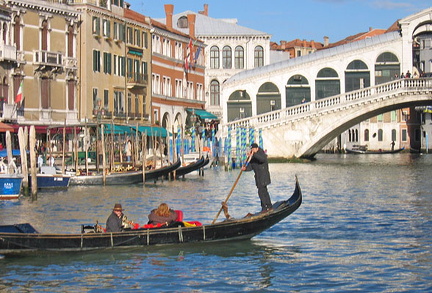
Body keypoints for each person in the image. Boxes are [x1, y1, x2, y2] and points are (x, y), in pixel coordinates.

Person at [242, 143, 272, 213]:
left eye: (253, 149)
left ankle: (266, 207)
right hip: (258, 178)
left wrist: (253, 155)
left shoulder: (261, 154)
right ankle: (267, 206)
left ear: (256, 148)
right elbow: (251, 166)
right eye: (251, 149)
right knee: (262, 192)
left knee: (262, 192)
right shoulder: (254, 157)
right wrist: (245, 168)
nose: (252, 150)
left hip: (264, 177)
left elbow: (262, 160)